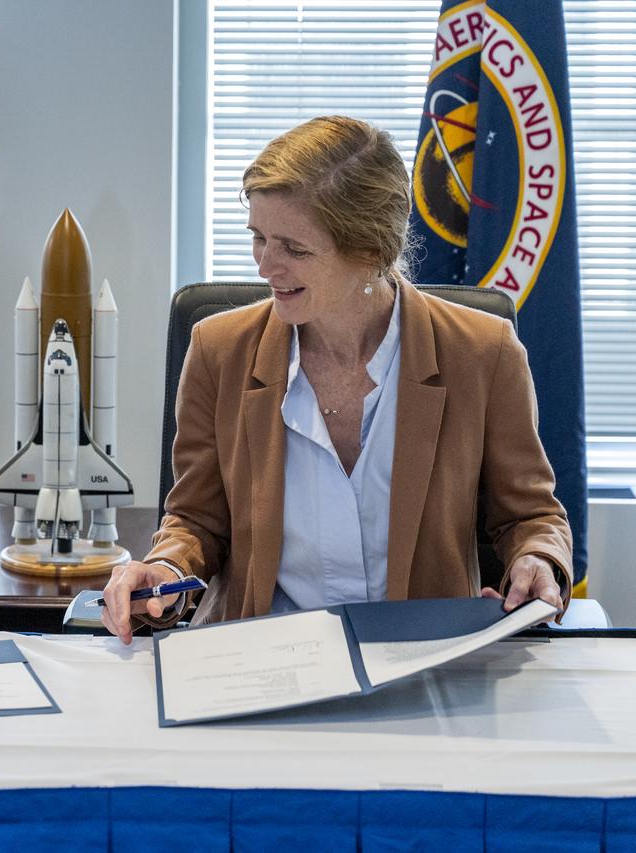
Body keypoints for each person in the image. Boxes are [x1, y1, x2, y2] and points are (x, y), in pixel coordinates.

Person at [102, 115, 572, 643]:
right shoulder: (219, 349)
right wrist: (165, 569)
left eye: (295, 249)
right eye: (259, 238)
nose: (265, 267)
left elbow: (530, 516)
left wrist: (537, 559)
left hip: (421, 654)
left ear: (371, 250)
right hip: (260, 654)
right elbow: (196, 520)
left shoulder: (484, 353)